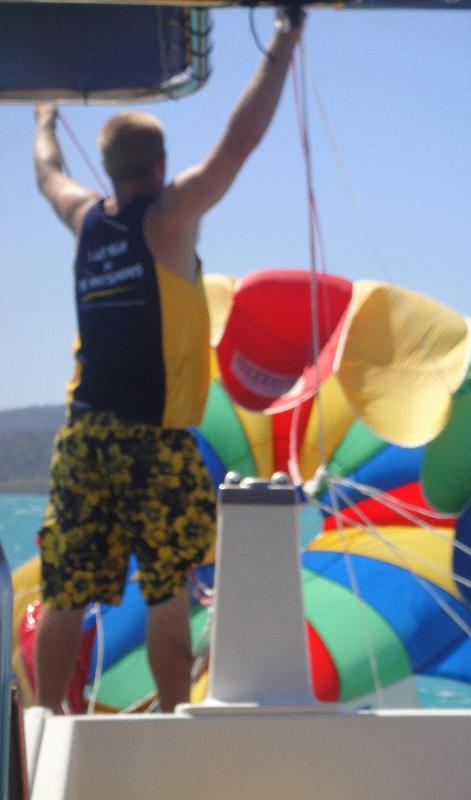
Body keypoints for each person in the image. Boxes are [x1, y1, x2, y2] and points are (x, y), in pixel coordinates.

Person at [32, 7, 305, 714]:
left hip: (83, 437)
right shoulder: (168, 219)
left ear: (118, 170)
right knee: (166, 587)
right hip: (153, 445)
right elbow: (238, 143)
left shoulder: (83, 217)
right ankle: (177, 729)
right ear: (158, 168)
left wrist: (43, 118)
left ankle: (51, 722)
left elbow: (48, 174)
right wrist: (286, 35)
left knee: (64, 587)